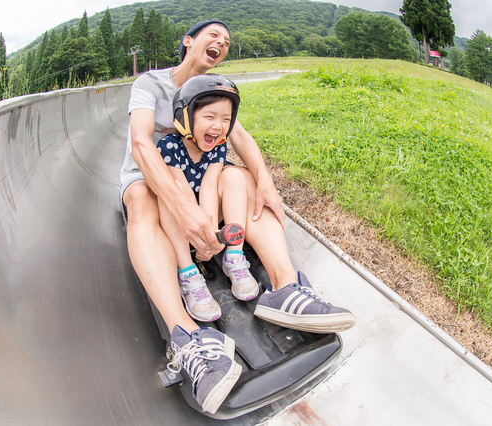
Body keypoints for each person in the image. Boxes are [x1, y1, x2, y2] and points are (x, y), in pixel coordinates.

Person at [120, 20, 355, 413]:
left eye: (227, 40)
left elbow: (240, 138)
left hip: (201, 180)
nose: (222, 42)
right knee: (143, 197)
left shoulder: (214, 93)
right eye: (214, 35)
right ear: (189, 41)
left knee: (242, 178)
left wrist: (265, 183)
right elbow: (141, 142)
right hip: (150, 176)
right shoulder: (152, 83)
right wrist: (183, 208)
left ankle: (284, 288)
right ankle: (187, 337)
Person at [156, 74, 259, 324]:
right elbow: (184, 196)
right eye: (209, 117)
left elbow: (210, 187)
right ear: (186, 116)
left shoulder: (217, 147)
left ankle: (233, 257)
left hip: (207, 214)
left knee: (233, 176)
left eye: (226, 119)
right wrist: (200, 237)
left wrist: (211, 233)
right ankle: (188, 273)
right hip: (181, 221)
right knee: (170, 195)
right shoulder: (168, 147)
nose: (218, 126)